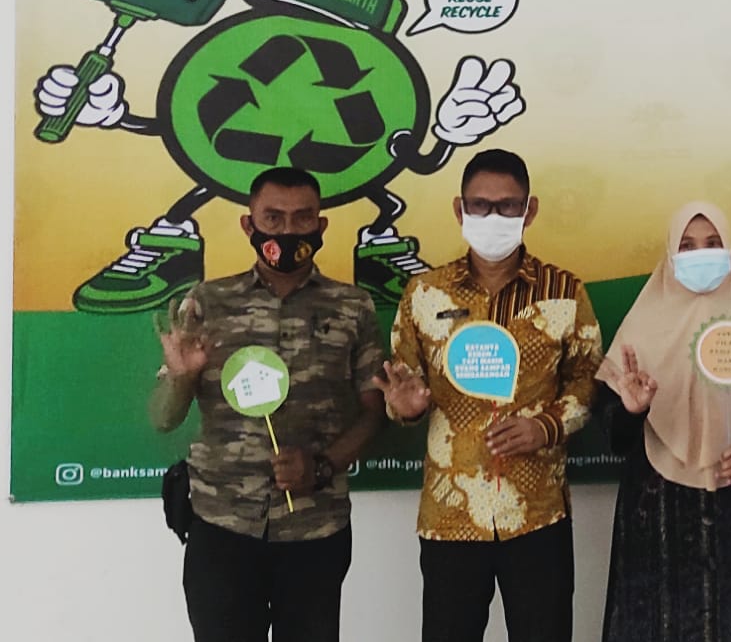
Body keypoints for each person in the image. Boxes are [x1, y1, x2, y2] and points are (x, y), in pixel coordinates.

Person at [149, 166, 386, 642]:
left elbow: (374, 412)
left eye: (303, 218)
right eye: (273, 218)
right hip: (221, 525)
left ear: (321, 225)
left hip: (314, 530)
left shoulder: (353, 306)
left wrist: (321, 467)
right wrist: (183, 376)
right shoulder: (207, 302)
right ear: (249, 224)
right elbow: (163, 418)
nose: (288, 231)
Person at [376, 148, 602, 642]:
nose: (493, 217)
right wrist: (406, 409)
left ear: (529, 210)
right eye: (480, 206)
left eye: (507, 206)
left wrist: (545, 427)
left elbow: (588, 381)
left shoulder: (564, 291)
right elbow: (403, 386)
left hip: (537, 514)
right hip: (451, 516)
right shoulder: (424, 294)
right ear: (460, 210)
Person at [594, 201, 731, 642]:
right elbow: (613, 434)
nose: (700, 254)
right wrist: (632, 410)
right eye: (687, 246)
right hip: (658, 517)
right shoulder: (641, 326)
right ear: (671, 253)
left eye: (712, 243)